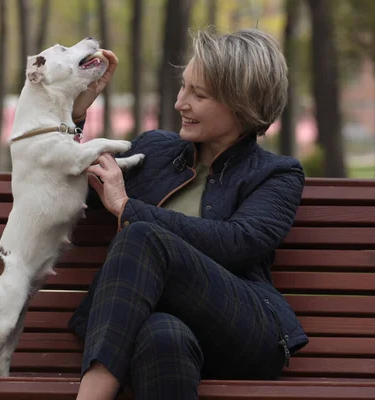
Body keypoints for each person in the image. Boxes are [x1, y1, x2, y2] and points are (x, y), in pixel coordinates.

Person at [67, 28, 309, 400]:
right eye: (184, 87)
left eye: (199, 94)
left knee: (141, 234)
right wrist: (74, 112)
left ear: (242, 103)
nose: (181, 102)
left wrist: (129, 208)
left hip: (242, 330)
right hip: (152, 327)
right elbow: (65, 184)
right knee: (163, 336)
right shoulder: (153, 150)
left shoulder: (277, 174)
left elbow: (237, 244)